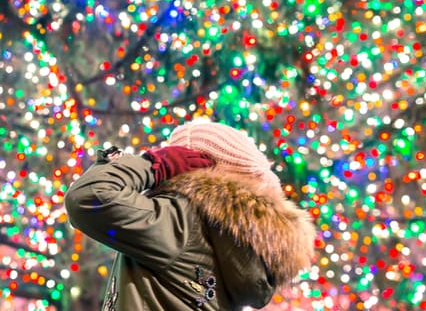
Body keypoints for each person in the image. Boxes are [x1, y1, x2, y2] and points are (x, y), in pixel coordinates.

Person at [64, 119, 316, 310]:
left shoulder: (183, 222)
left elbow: (87, 197)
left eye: (182, 157)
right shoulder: (232, 242)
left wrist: (155, 164)